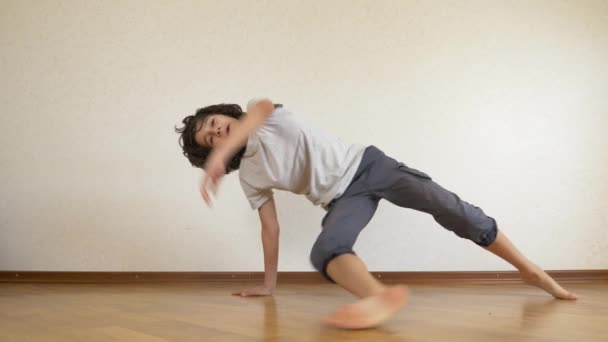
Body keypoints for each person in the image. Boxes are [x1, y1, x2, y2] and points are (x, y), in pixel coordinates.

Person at [175, 98, 577, 330]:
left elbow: (258, 107)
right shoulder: (249, 176)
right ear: (211, 155)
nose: (217, 133)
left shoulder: (266, 116)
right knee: (326, 251)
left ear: (226, 114)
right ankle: (379, 297)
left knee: (452, 209)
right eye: (210, 140)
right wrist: (269, 285)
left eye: (215, 123)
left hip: (371, 166)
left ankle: (531, 270)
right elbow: (270, 228)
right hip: (341, 199)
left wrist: (224, 152)